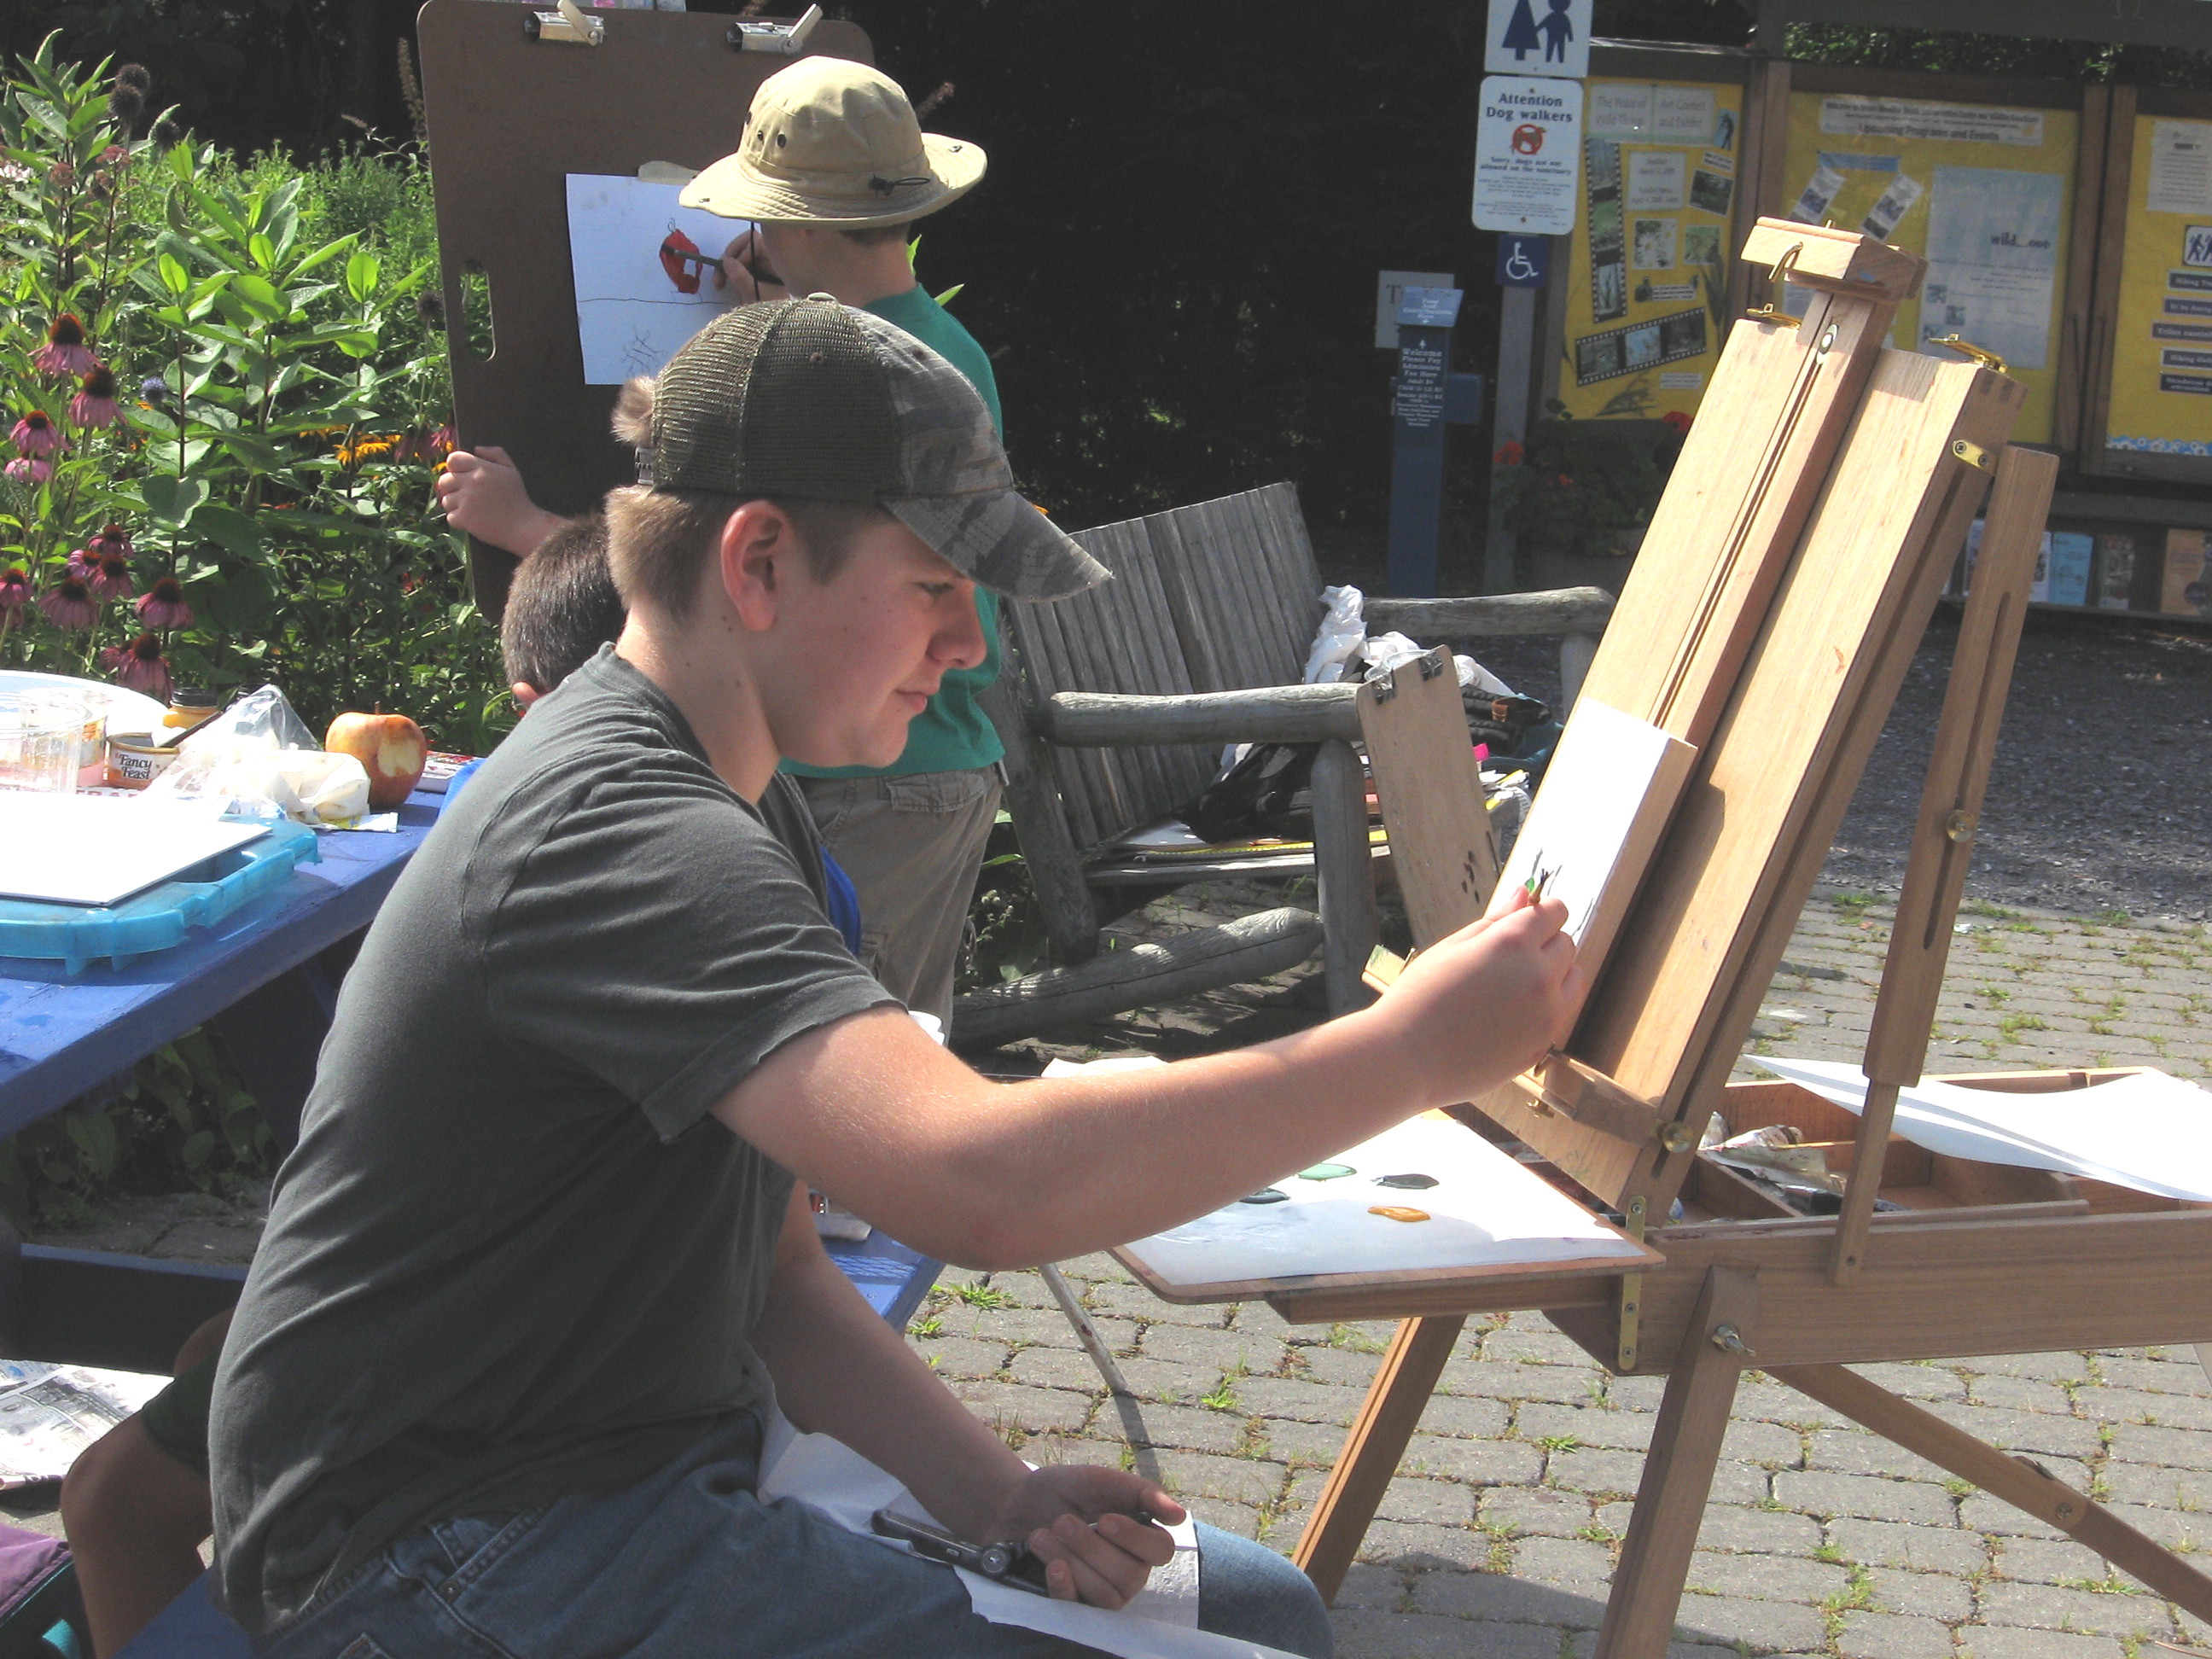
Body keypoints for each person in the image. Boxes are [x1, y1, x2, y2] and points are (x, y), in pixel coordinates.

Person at [207, 298, 1584, 1657]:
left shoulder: (744, 797)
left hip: (610, 1480)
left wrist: (997, 1494)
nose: (971, 643)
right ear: (755, 562)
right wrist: (1410, 1051)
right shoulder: (622, 829)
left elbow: (776, 1272)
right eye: (934, 587)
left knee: (1258, 1610)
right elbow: (974, 1181)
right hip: (429, 1552)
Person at [56, 518, 641, 1659]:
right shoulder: (739, 842)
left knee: (107, 1498)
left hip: (470, 1356)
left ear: (529, 708)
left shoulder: (528, 869)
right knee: (211, 1345)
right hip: (546, 1316)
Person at [439, 55, 1006, 1027]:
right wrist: (775, 327)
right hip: (923, 772)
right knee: (890, 1053)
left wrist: (528, 531)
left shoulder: (852, 375)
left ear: (781, 221)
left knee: (842, 1070)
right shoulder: (936, 352)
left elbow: (719, 576)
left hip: (870, 784)